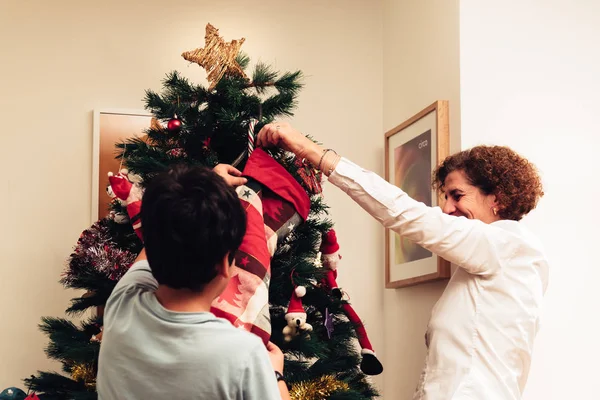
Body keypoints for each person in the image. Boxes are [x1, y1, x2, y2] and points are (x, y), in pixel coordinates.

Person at [257, 122, 548, 400]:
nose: (446, 208)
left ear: (497, 198)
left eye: (457, 195)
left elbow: (405, 214)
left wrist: (311, 151)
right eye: (444, 196)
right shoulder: (490, 262)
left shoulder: (507, 245)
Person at [97, 163, 290, 400]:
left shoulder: (123, 302)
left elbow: (160, 238)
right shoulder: (244, 355)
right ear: (223, 265)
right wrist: (275, 375)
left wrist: (202, 189)